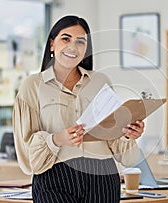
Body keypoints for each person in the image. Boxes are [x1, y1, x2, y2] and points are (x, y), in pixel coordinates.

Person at [12, 15, 145, 203]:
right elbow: (26, 153)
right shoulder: (32, 86)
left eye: (80, 42)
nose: (73, 47)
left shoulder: (100, 82)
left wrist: (127, 133)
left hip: (103, 177)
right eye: (65, 39)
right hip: (54, 178)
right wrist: (57, 139)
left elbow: (115, 140)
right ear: (52, 44)